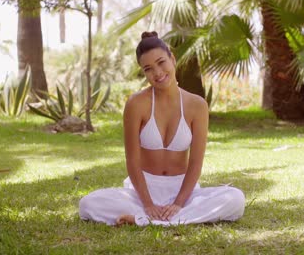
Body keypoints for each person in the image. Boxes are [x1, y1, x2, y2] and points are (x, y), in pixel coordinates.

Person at [78, 31, 245, 226]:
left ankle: (148, 220)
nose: (157, 72)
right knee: (87, 204)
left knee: (236, 198)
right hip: (142, 192)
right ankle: (159, 217)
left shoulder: (197, 105)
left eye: (161, 62)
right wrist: (148, 204)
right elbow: (132, 161)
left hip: (183, 190)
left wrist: (179, 203)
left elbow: (195, 163)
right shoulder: (136, 103)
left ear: (172, 59)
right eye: (148, 68)